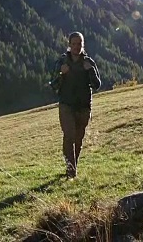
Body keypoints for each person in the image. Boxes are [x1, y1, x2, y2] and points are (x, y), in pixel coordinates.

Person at [51, 31, 101, 179]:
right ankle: (71, 170)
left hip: (84, 106)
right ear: (69, 45)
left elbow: (97, 85)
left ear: (83, 45)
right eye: (73, 44)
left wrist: (90, 71)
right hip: (67, 105)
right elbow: (53, 85)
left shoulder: (89, 62)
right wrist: (61, 74)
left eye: (79, 44)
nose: (76, 47)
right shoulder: (62, 62)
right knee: (69, 136)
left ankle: (73, 166)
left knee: (78, 139)